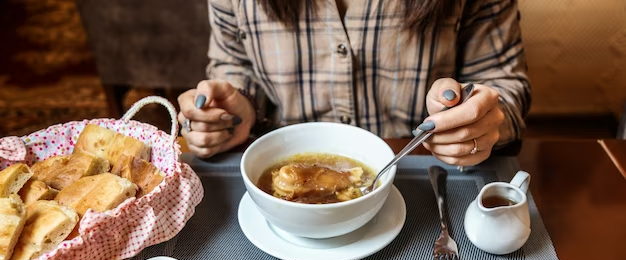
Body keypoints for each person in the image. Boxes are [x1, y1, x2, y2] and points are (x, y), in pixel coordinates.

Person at [177, 0, 530, 166]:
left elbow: (504, 86)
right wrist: (235, 111)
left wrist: (478, 120)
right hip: (275, 184)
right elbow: (235, 67)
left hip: (423, 176)